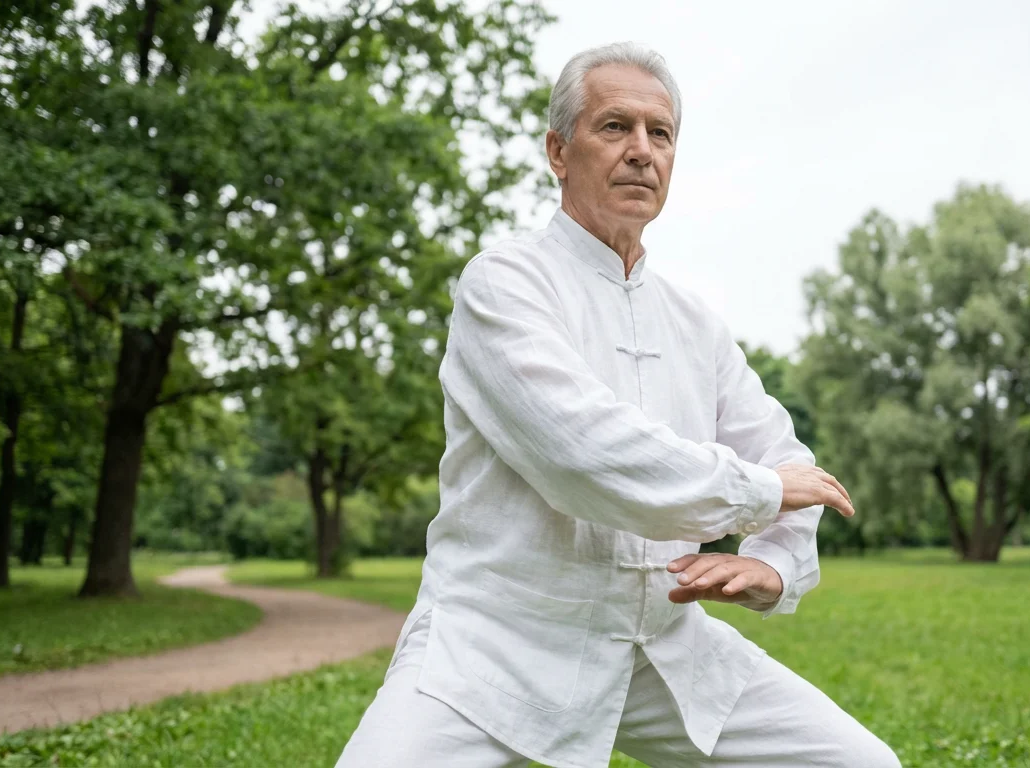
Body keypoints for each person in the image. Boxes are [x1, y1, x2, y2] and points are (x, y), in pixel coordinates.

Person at [336, 42, 901, 768]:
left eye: (659, 134)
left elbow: (787, 459)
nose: (641, 151)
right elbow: (581, 452)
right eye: (614, 127)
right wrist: (757, 493)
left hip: (657, 645)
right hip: (496, 642)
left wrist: (776, 565)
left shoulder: (694, 323)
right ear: (558, 151)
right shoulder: (502, 284)